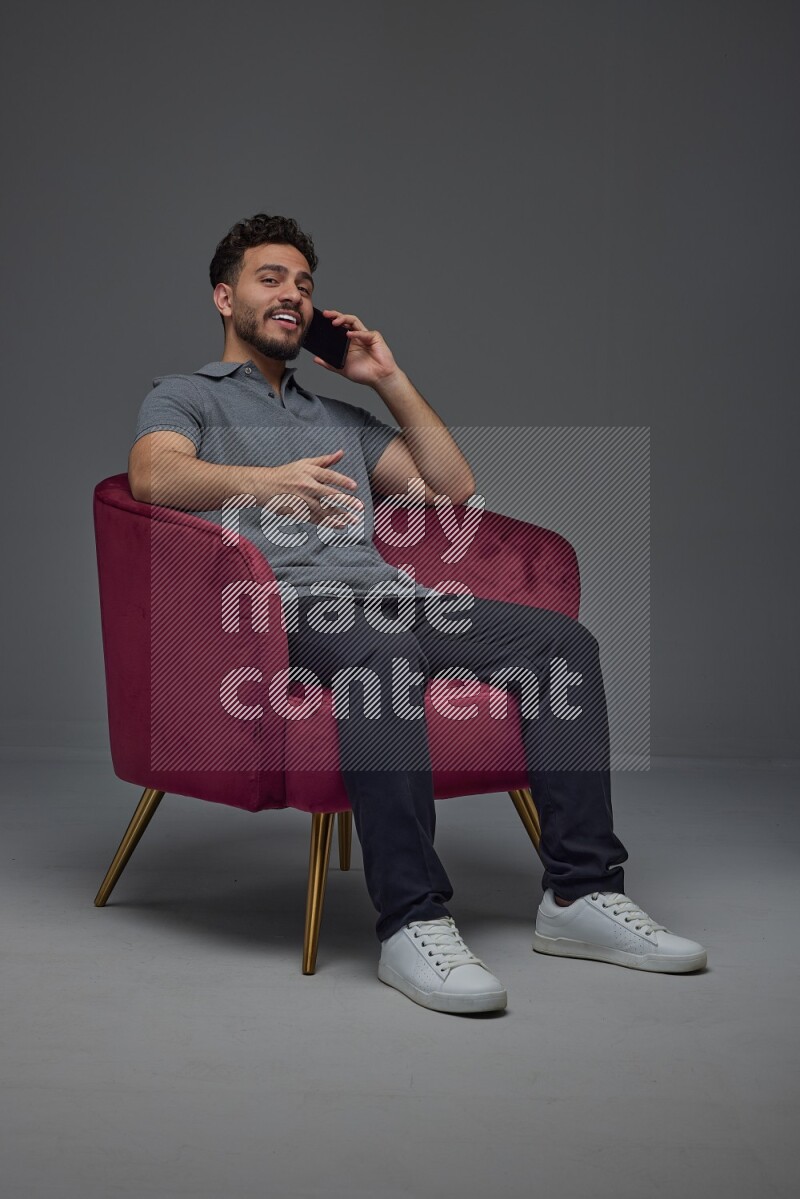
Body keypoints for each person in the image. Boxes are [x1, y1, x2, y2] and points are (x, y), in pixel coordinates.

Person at [129, 213, 707, 1015]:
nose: (292, 295)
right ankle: (413, 921)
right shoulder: (184, 395)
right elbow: (153, 478)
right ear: (224, 297)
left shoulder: (340, 419)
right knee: (380, 660)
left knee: (561, 646)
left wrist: (384, 377)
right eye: (271, 278)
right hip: (285, 611)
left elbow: (453, 488)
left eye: (304, 284)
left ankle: (579, 896)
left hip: (396, 600)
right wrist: (264, 484)